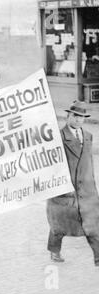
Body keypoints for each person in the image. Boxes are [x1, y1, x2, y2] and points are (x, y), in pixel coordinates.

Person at [47, 101, 99, 266]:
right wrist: (59, 186)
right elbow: (51, 164)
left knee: (93, 225)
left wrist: (93, 186)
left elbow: (89, 163)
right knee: (59, 225)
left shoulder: (89, 136)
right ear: (68, 116)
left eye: (82, 117)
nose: (78, 120)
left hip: (86, 189)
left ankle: (98, 257)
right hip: (66, 188)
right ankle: (54, 251)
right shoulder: (58, 137)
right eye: (75, 116)